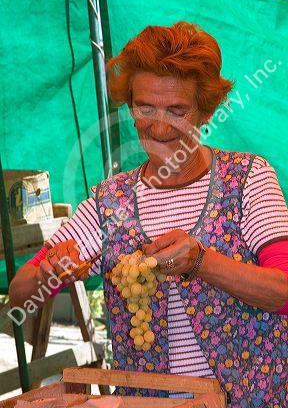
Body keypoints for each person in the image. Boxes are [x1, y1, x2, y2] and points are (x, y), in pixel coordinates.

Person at [9, 22, 288, 408]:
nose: (159, 126)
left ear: (205, 112)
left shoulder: (247, 179)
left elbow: (283, 292)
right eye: (145, 107)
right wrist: (48, 273)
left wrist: (201, 261)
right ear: (129, 108)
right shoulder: (111, 204)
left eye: (177, 110)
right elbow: (22, 297)